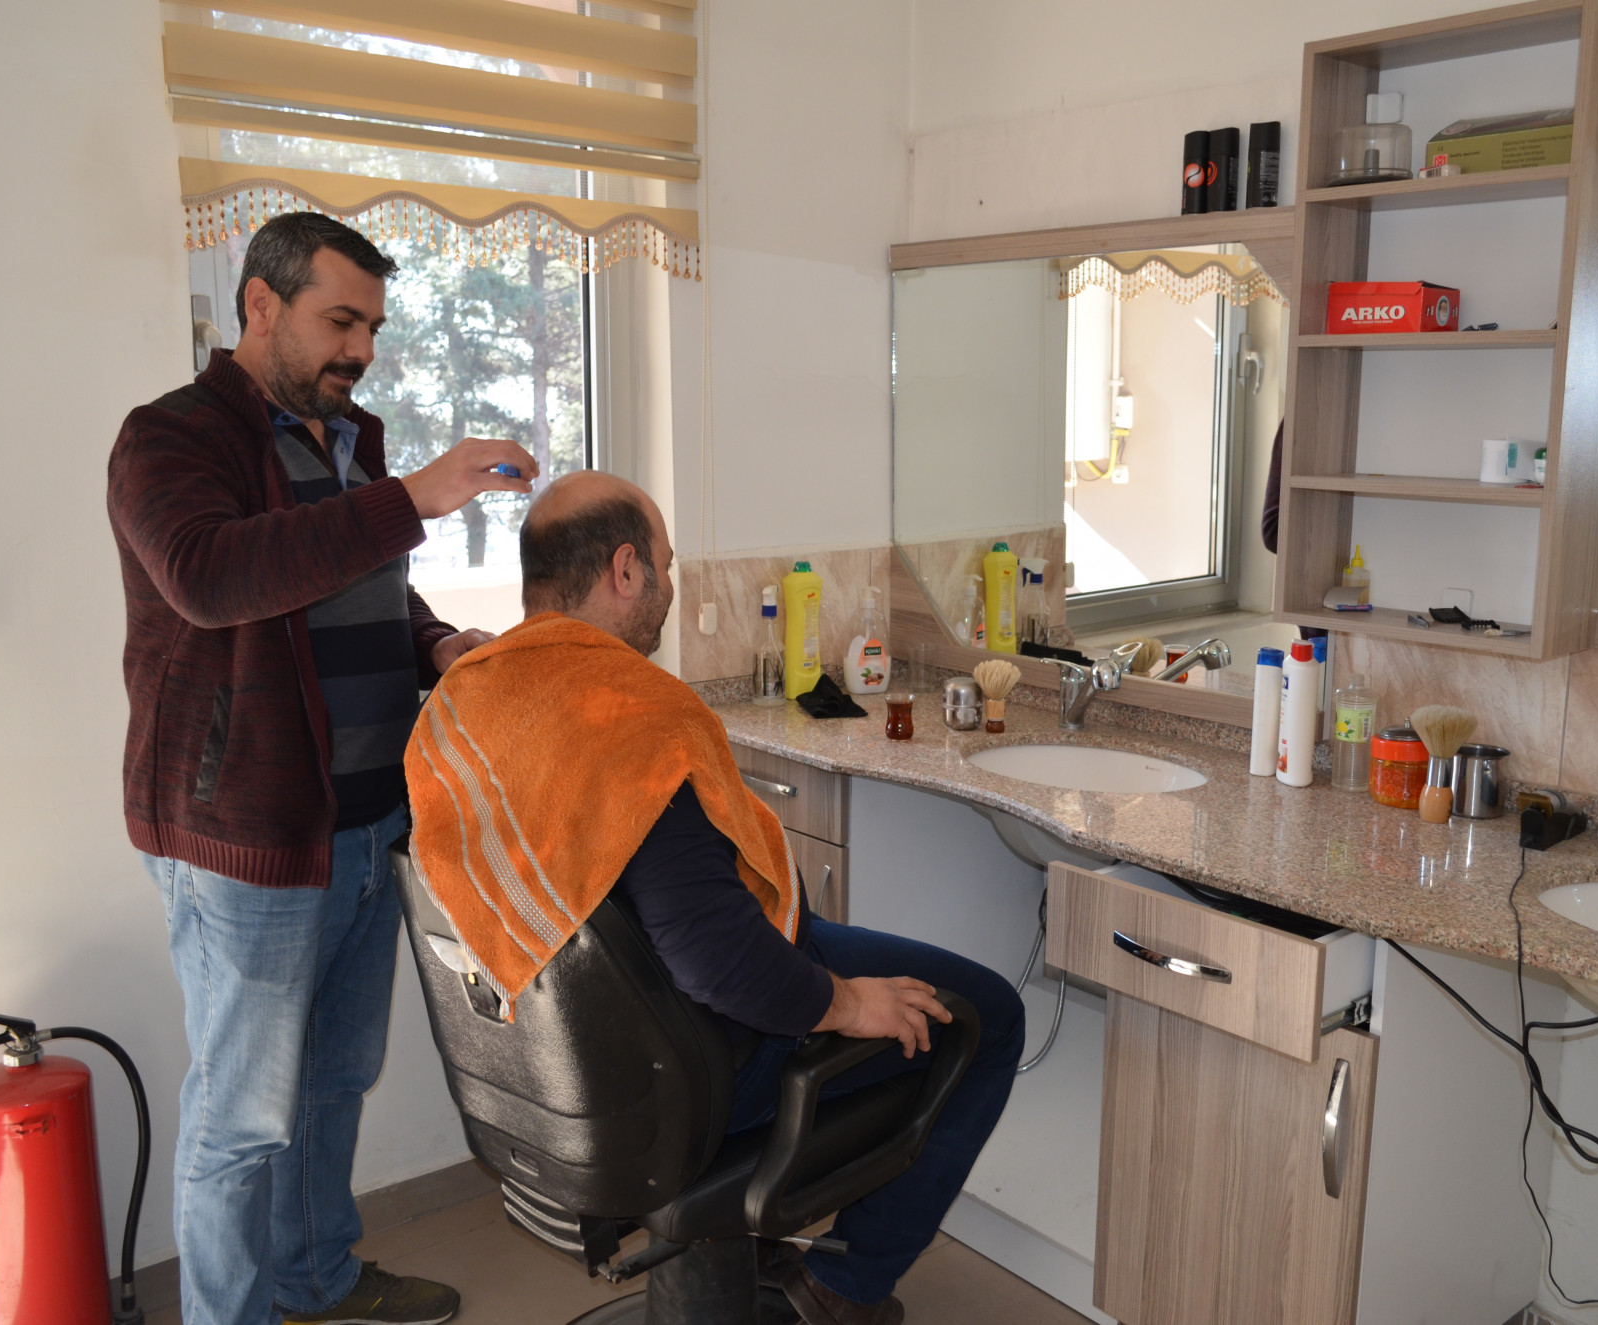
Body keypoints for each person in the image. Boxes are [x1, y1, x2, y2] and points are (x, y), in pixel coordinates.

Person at [405, 472, 1027, 1325]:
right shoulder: (632, 721)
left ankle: (758, 1253)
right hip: (692, 1060)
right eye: (666, 565)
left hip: (562, 1059)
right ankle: (843, 1290)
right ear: (626, 569)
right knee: (988, 1016)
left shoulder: (470, 698)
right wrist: (849, 1003)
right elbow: (718, 960)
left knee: (820, 942)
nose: (669, 583)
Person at [108, 211, 539, 1325]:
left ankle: (316, 1280)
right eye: (340, 320)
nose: (362, 349)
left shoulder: (348, 438)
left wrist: (433, 643)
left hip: (370, 819)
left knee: (334, 1081)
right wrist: (414, 498)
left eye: (374, 327)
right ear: (261, 304)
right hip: (247, 838)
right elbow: (213, 578)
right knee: (242, 1118)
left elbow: (364, 585)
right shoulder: (169, 437)